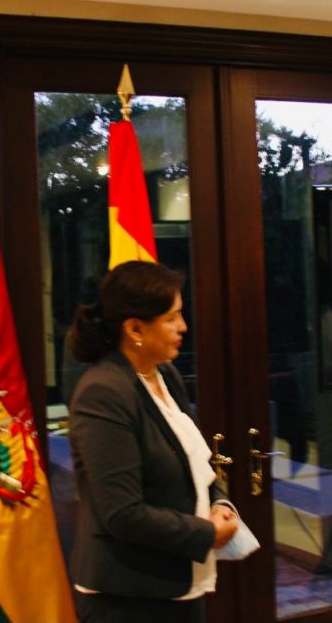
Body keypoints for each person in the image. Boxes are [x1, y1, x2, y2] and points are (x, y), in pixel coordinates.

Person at [66, 261, 238, 623]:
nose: (183, 327)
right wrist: (206, 533)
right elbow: (122, 513)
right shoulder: (103, 392)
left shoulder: (165, 374)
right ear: (135, 328)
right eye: (172, 318)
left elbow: (192, 459)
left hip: (180, 581)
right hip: (128, 597)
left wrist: (220, 502)